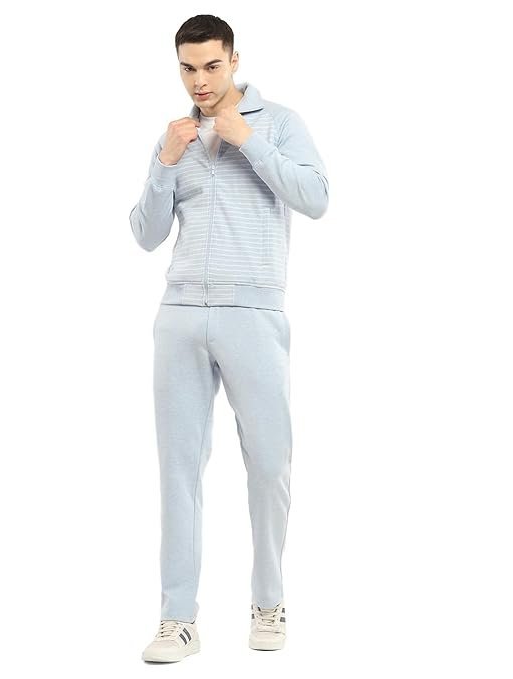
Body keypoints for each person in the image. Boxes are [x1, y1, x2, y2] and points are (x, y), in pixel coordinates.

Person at [130, 14, 329, 663]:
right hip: (180, 315)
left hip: (252, 313)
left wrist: (249, 141)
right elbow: (145, 233)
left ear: (234, 60)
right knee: (178, 471)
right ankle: (177, 619)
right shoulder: (175, 136)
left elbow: (316, 197)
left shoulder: (279, 123)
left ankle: (268, 601)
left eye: (212, 66)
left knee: (269, 464)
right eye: (188, 68)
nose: (200, 80)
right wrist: (165, 162)